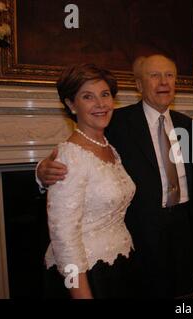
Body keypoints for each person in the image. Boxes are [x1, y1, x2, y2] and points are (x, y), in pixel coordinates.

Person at [37, 54, 193, 298]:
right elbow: (63, 232)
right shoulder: (117, 122)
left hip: (146, 249)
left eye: (169, 75)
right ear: (139, 85)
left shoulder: (186, 125)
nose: (100, 104)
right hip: (131, 246)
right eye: (154, 75)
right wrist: (41, 171)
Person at [43, 63, 139, 299]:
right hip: (87, 276)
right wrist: (81, 293)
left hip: (117, 265)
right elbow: (63, 237)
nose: (100, 104)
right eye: (88, 97)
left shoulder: (110, 148)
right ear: (71, 104)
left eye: (105, 95)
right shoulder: (70, 155)